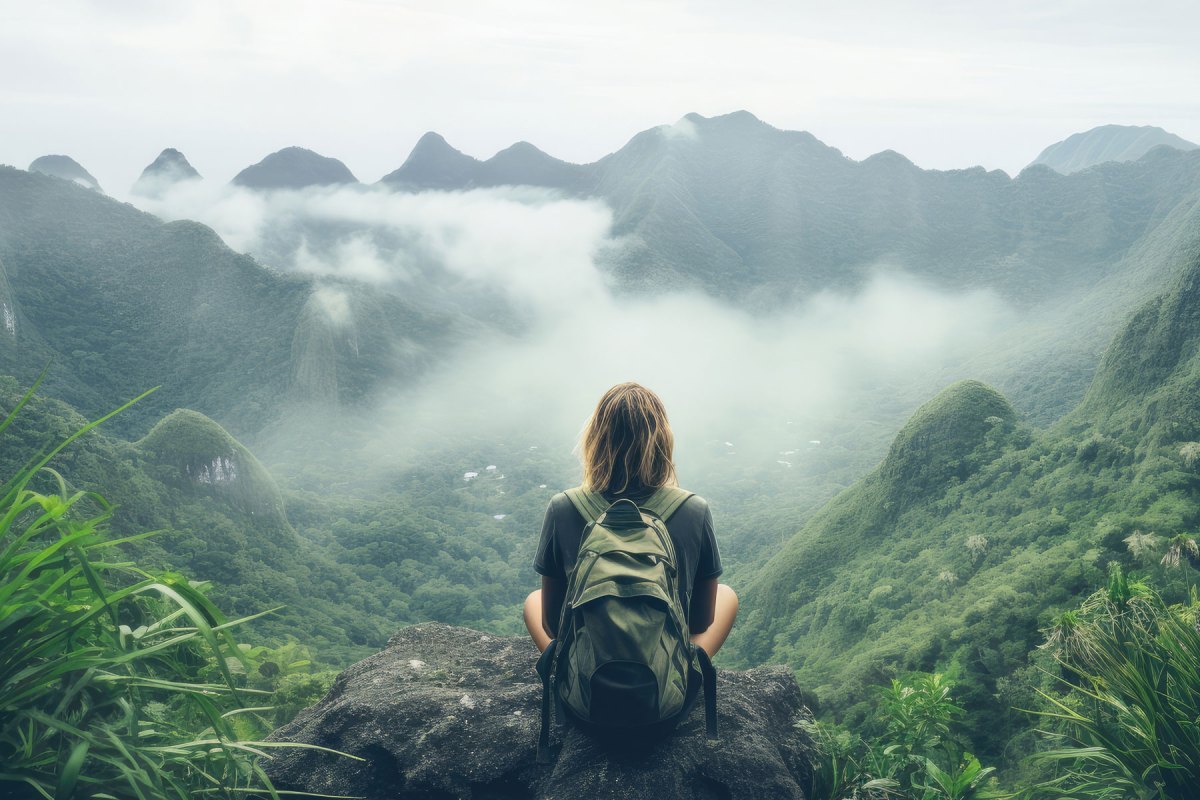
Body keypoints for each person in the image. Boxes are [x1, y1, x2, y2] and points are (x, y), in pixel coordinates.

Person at [523, 381, 738, 658]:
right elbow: (700, 622)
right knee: (727, 595)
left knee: (533, 601)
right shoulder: (693, 509)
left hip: (588, 688)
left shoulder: (563, 507)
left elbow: (552, 625)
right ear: (662, 440)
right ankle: (688, 673)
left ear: (596, 439)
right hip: (664, 690)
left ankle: (565, 675)